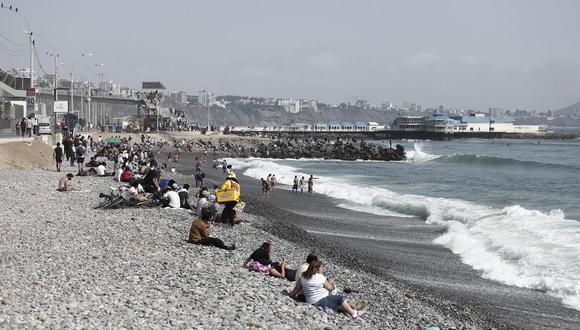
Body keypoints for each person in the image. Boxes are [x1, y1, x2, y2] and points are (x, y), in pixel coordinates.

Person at [291, 260, 365, 319]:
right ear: (316, 269)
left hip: (311, 301)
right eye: (321, 267)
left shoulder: (303, 275)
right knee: (339, 299)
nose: (323, 269)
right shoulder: (320, 277)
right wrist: (331, 282)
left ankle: (354, 311)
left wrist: (290, 295)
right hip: (320, 301)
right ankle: (354, 314)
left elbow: (297, 288)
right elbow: (330, 288)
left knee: (338, 304)